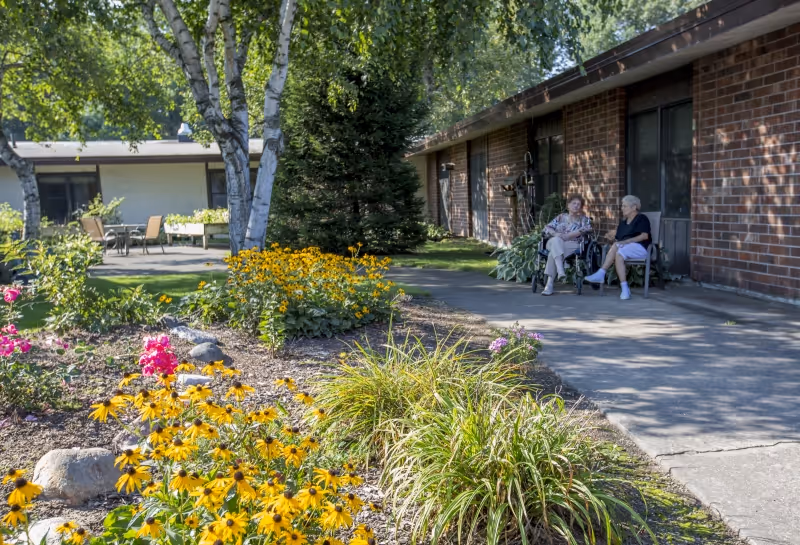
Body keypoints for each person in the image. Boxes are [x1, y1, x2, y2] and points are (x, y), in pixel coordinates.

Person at [584, 195, 651, 300]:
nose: (622, 208)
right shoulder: (623, 222)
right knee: (618, 252)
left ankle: (601, 273)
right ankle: (625, 289)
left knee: (619, 250)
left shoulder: (641, 219)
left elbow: (644, 236)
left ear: (634, 207)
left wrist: (626, 241)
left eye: (625, 206)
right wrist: (611, 236)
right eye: (622, 206)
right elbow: (619, 240)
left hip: (641, 248)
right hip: (625, 249)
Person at [540, 195, 593, 296]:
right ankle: (560, 270)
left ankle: (550, 284)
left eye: (579, 204)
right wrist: (556, 234)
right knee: (556, 240)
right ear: (568, 205)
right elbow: (547, 228)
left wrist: (569, 235)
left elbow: (587, 229)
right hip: (554, 241)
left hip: (572, 244)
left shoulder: (583, 219)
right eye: (574, 203)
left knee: (553, 254)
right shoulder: (560, 217)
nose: (576, 206)